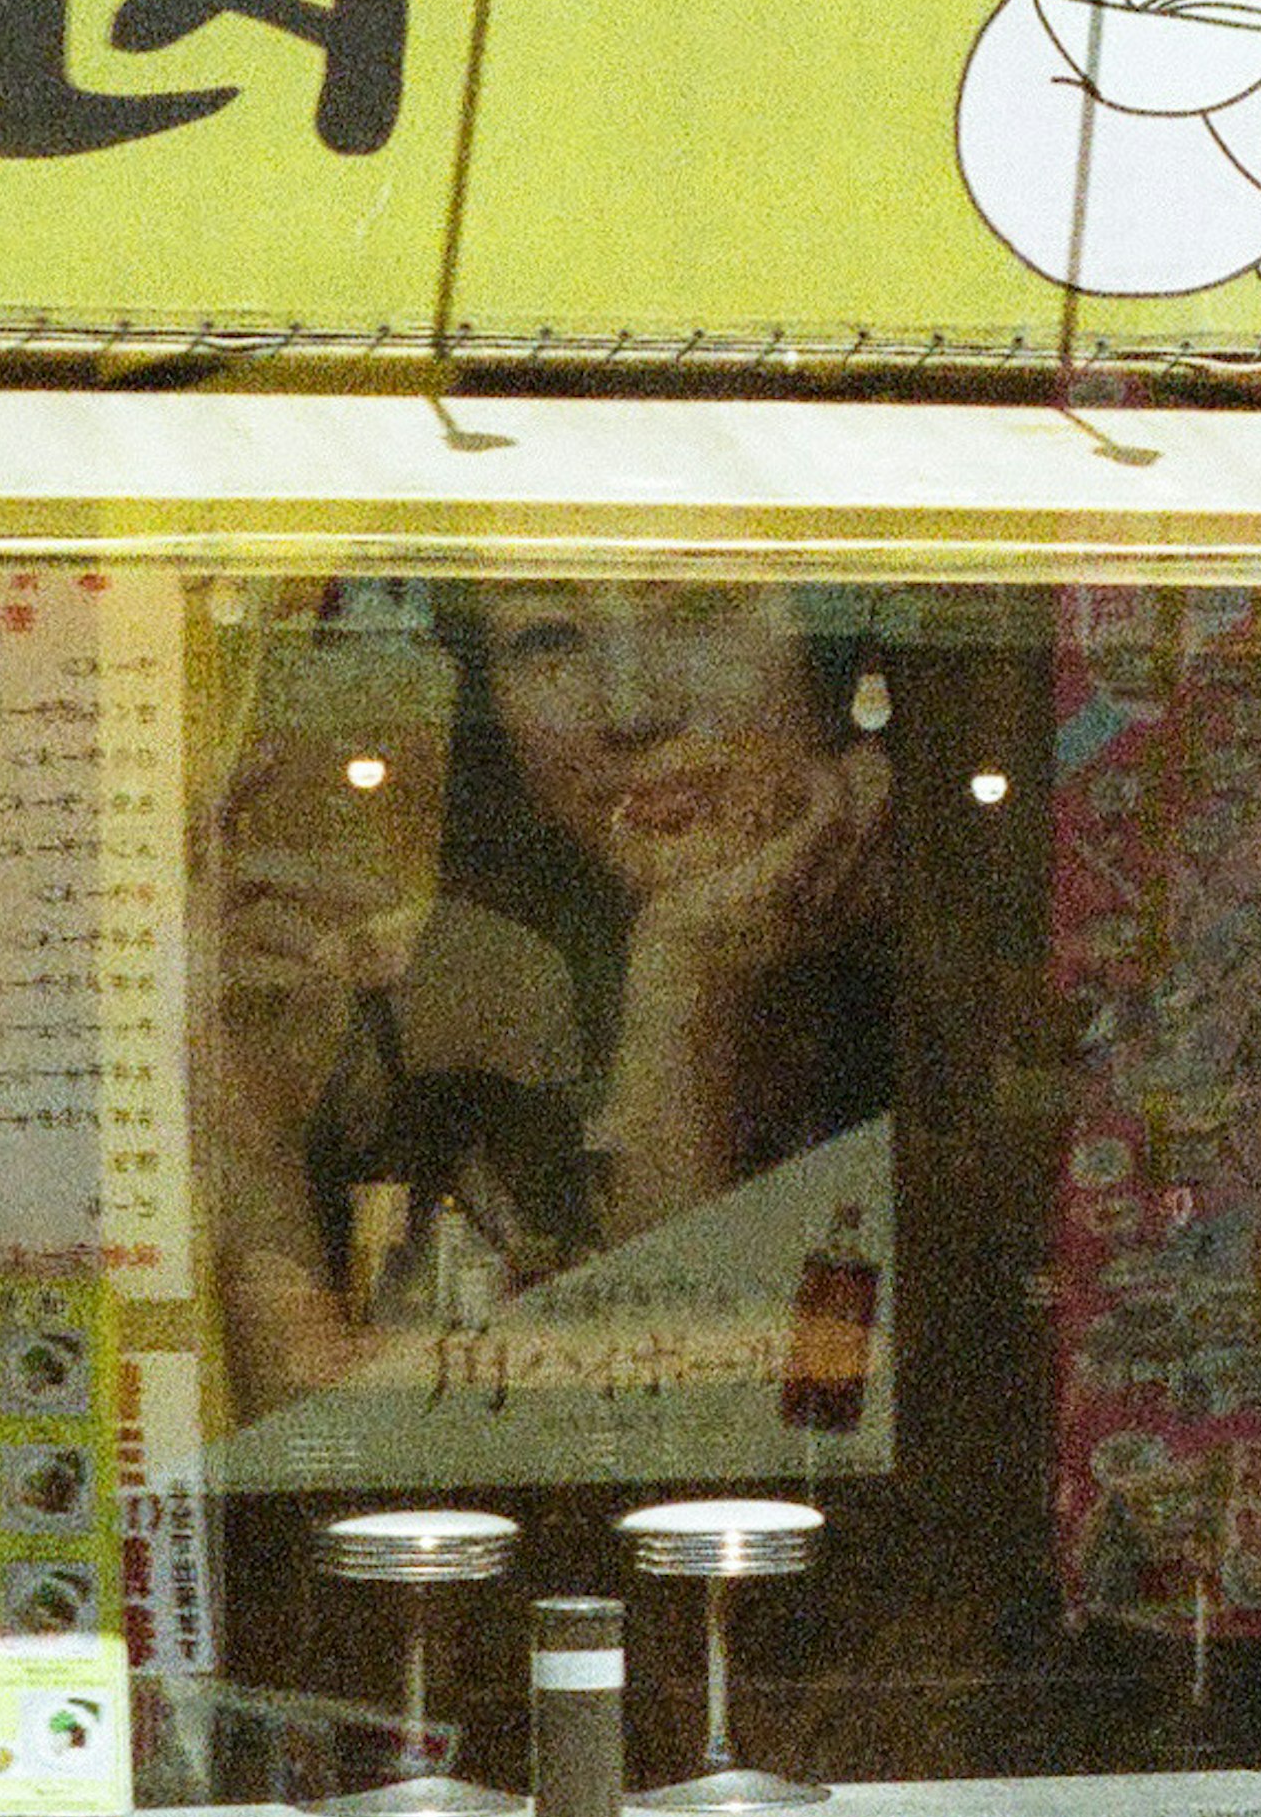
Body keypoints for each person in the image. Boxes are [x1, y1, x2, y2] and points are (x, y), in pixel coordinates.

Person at [207, 580, 892, 1418]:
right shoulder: (468, 1015)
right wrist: (238, 1079)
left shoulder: (969, 994)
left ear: (846, 650)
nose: (632, 709)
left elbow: (693, 1434)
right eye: (548, 640)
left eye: (704, 607)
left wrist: (685, 1001)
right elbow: (332, 1434)